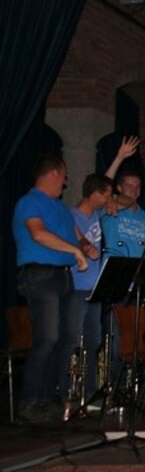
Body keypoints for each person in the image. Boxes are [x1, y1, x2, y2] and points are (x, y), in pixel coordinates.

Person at [12, 154, 93, 423]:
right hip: (39, 275)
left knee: (66, 339)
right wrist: (74, 250)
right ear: (54, 173)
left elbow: (77, 237)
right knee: (47, 339)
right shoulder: (30, 202)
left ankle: (47, 399)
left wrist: (85, 247)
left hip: (63, 277)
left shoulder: (61, 207)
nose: (65, 182)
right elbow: (38, 233)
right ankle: (29, 402)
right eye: (64, 176)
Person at [67, 173, 115, 411]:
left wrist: (119, 158)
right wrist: (84, 246)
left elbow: (109, 184)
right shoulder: (71, 215)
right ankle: (68, 390)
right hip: (77, 286)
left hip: (95, 289)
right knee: (73, 339)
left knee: (94, 340)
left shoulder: (97, 215)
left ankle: (90, 392)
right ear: (95, 194)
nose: (108, 199)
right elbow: (73, 239)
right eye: (106, 195)